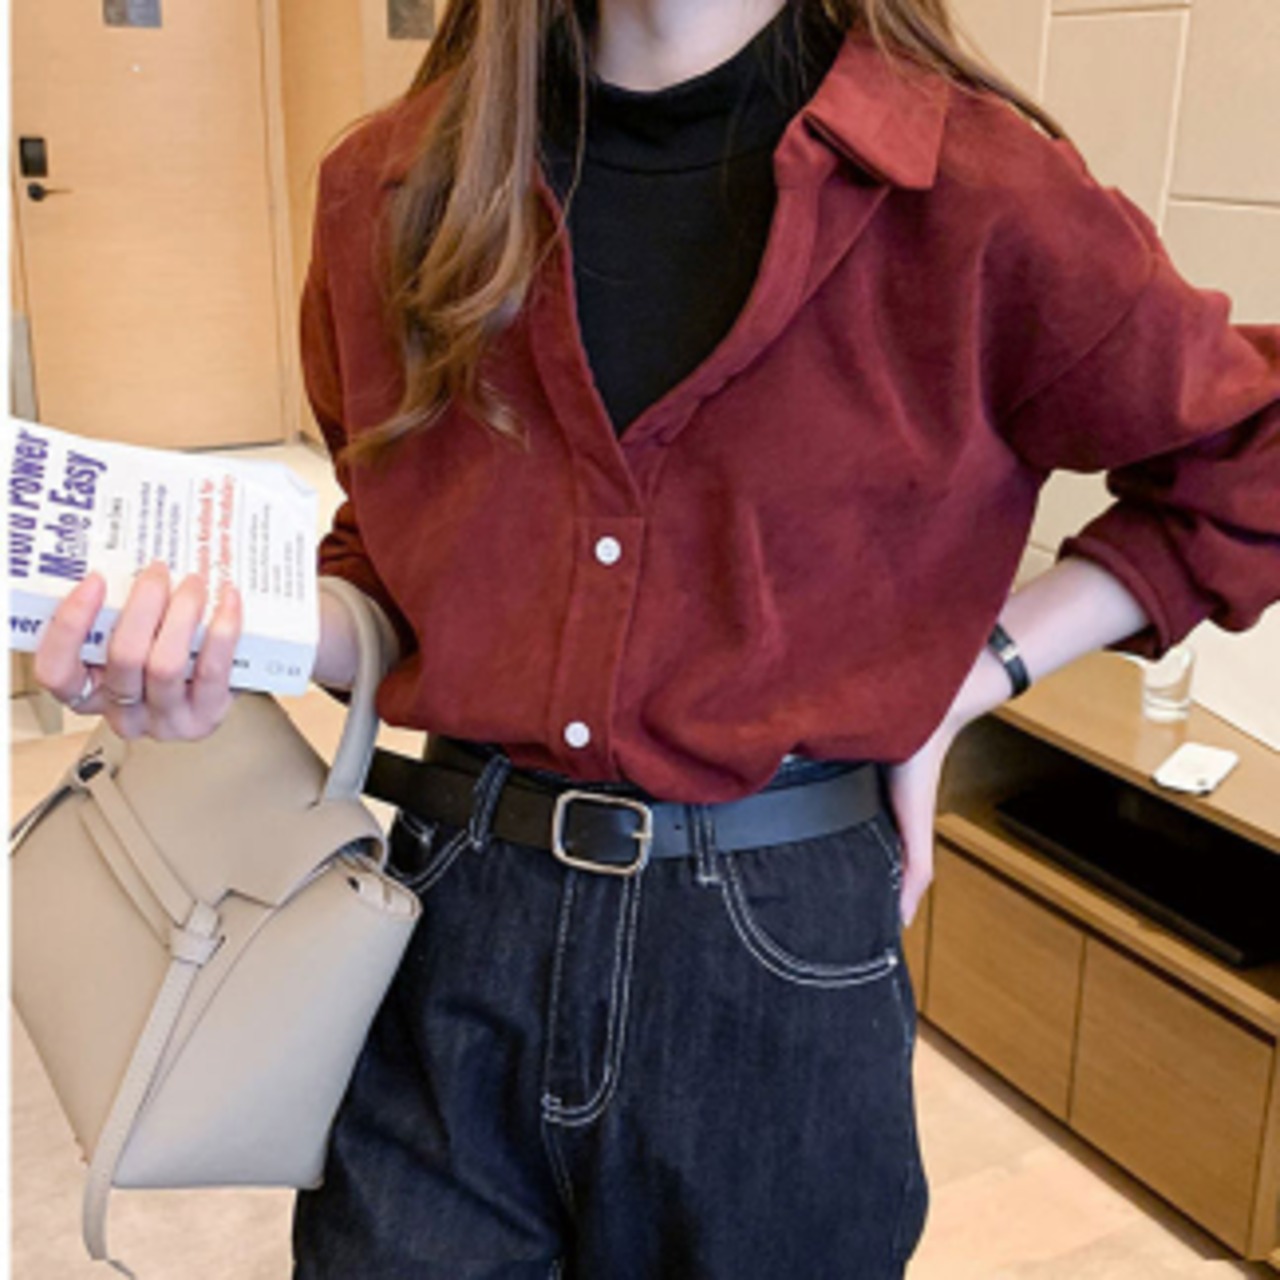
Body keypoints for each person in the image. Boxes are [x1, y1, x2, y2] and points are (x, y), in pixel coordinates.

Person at [34, 0, 1280, 1276]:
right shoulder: (391, 189)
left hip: (775, 941)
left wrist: (967, 680)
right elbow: (399, 556)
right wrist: (251, 635)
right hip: (449, 918)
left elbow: (1254, 452)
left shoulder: (977, 193)